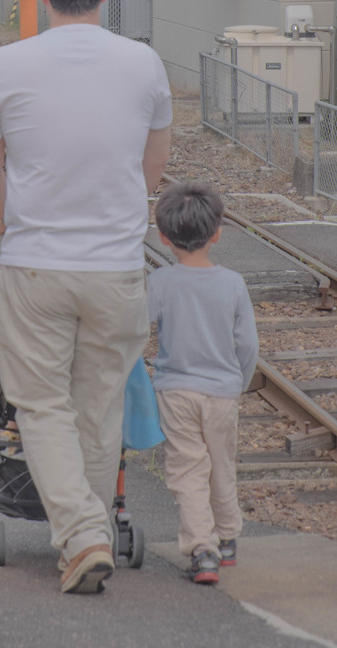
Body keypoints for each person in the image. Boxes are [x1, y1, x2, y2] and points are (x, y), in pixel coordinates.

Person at [0, 0, 172, 593]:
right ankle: (86, 536)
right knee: (97, 405)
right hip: (116, 270)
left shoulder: (5, 64)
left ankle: (82, 534)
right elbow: (153, 168)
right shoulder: (145, 64)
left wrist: (18, 224)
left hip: (36, 264)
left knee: (40, 405)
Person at [148, 181, 259, 584]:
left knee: (188, 469)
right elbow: (247, 343)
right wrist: (238, 381)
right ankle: (227, 537)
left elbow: (138, 328)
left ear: (162, 236)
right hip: (223, 391)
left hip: (176, 391)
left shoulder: (160, 282)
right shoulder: (232, 283)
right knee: (221, 465)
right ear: (217, 232)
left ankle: (203, 549)